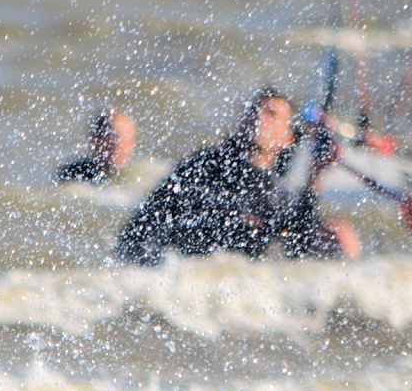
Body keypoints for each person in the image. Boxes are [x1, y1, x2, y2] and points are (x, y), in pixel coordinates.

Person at [115, 88, 358, 265]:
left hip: (233, 285)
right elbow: (143, 223)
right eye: (254, 109)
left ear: (287, 139)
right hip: (176, 271)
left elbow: (296, 237)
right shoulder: (204, 164)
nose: (258, 117)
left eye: (271, 114)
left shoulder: (273, 191)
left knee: (342, 236)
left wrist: (317, 175)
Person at [55, 108, 136, 185]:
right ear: (96, 139)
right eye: (115, 137)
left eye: (127, 138)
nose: (121, 145)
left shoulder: (138, 178)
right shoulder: (73, 174)